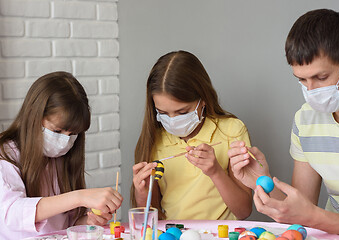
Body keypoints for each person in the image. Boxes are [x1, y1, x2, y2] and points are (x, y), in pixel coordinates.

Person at [228, 9, 339, 239]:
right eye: (302, 80)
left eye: (321, 78)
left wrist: (316, 217)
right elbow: (301, 208)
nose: (312, 91)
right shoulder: (306, 119)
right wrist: (263, 181)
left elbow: (310, 215)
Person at [0, 72, 123, 239]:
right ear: (34, 116)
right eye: (57, 131)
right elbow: (12, 213)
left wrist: (88, 222)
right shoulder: (7, 154)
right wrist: (80, 197)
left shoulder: (62, 159)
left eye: (72, 134)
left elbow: (65, 225)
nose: (64, 141)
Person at [132, 50, 252, 220]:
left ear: (203, 100)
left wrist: (215, 172)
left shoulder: (231, 131)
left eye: (182, 112)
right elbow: (151, 220)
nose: (172, 121)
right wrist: (142, 193)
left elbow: (244, 211)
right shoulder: (154, 141)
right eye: (163, 113)